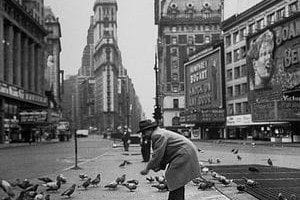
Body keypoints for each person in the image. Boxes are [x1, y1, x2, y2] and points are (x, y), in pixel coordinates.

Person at [139, 120, 201, 200]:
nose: (143, 135)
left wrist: (147, 168)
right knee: (177, 180)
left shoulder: (157, 135)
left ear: (149, 130)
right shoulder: (159, 132)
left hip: (184, 153)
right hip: (184, 152)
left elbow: (157, 155)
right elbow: (165, 153)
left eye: (144, 132)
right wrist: (161, 166)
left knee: (174, 177)